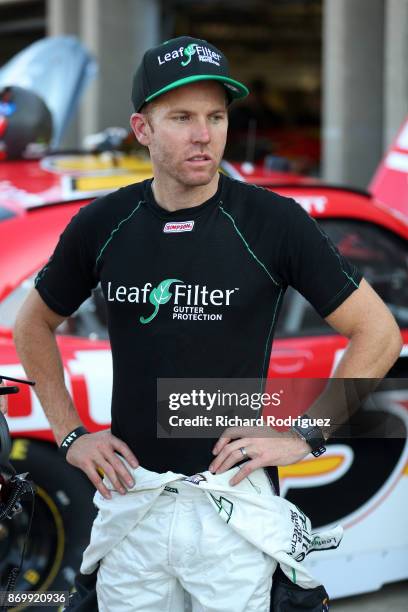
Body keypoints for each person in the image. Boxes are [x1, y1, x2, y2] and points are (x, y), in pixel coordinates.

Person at [13, 36, 402, 611]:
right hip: (134, 500)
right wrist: (71, 434)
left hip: (231, 507)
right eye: (183, 118)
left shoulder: (273, 221)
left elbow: (380, 333)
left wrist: (306, 435)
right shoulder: (104, 222)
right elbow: (31, 325)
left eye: (216, 116)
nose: (205, 134)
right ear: (141, 128)